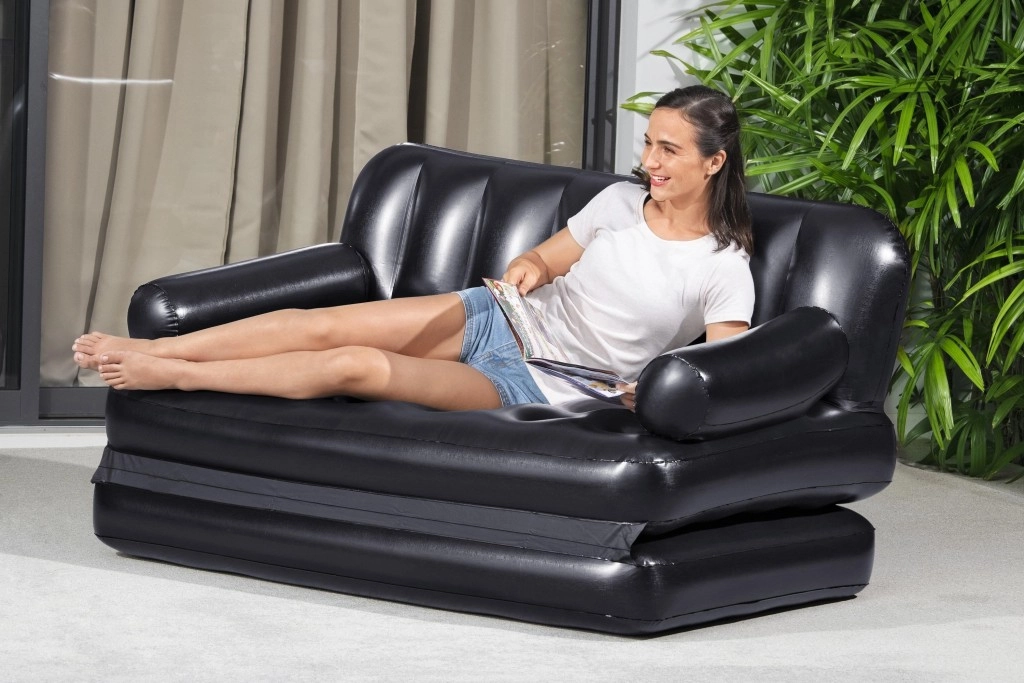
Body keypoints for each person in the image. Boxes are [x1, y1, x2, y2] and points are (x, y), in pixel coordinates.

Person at [71, 85, 755, 412]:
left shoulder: (722, 267)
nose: (650, 160)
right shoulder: (618, 204)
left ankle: (175, 375)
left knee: (354, 364)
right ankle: (158, 349)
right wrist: (526, 268)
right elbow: (546, 260)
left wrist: (647, 392)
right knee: (322, 324)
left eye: (669, 149)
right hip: (501, 318)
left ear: (714, 162)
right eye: (648, 142)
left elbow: (723, 371)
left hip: (545, 384)